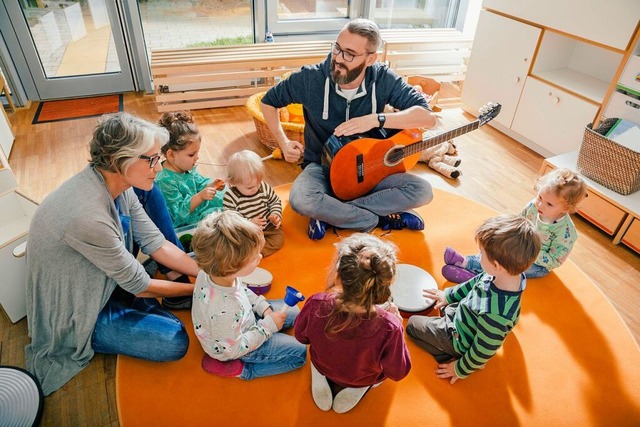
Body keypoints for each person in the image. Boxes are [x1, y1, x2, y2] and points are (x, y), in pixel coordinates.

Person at [25, 112, 201, 396]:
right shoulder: (88, 216)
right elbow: (140, 286)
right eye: (152, 159)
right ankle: (105, 326)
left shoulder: (118, 184)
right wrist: (203, 287)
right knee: (174, 340)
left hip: (105, 280)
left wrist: (205, 275)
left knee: (166, 308)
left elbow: (157, 243)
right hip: (79, 308)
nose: (159, 167)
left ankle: (148, 300)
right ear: (119, 160)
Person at [260, 18, 437, 240]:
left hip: (370, 172)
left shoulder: (384, 79)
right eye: (337, 48)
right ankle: (376, 218)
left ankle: (333, 213)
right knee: (301, 200)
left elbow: (427, 118)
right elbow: (268, 101)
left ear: (371, 58)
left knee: (422, 191)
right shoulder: (311, 78)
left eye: (349, 54)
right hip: (322, 168)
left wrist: (375, 120)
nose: (338, 59)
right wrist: (283, 142)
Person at [406, 214, 541, 384]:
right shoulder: (507, 276)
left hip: (459, 339)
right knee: (446, 307)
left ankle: (450, 354)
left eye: (481, 254)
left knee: (412, 325)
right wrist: (448, 295)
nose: (478, 256)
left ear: (497, 266)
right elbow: (474, 283)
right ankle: (450, 319)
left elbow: (483, 350)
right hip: (466, 314)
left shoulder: (495, 315)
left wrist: (461, 368)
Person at [294, 233, 411, 413]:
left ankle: (320, 374)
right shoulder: (389, 327)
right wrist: (398, 325)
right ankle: (358, 387)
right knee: (375, 378)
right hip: (364, 377)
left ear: (339, 276)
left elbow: (301, 337)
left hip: (322, 363)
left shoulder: (316, 303)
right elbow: (397, 372)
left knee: (317, 359)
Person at [190, 210, 307, 379]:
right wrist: (268, 326)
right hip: (234, 347)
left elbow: (241, 291)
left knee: (295, 312)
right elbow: (235, 347)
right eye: (253, 258)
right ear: (231, 268)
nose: (260, 256)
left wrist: (264, 307)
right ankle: (241, 371)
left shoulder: (214, 273)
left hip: (241, 320)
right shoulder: (223, 311)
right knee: (299, 354)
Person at [442, 168, 587, 283]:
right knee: (494, 246)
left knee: (508, 267)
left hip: (536, 264)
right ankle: (474, 265)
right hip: (519, 246)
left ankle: (469, 269)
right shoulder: (533, 206)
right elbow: (518, 223)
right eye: (540, 197)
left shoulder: (566, 232)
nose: (540, 204)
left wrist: (526, 253)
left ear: (566, 209)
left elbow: (555, 260)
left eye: (549, 204)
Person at [155, 110, 226, 228]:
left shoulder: (185, 167)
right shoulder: (165, 181)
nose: (197, 158)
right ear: (171, 155)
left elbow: (199, 182)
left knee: (225, 194)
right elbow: (177, 216)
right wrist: (200, 197)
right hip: (188, 223)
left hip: (198, 209)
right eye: (191, 155)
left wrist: (212, 185)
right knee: (219, 217)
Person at [223, 150, 284, 257]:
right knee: (232, 240)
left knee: (279, 239)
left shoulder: (264, 187)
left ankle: (252, 254)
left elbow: (275, 201)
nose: (256, 188)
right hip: (246, 233)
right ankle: (249, 252)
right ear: (233, 183)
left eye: (258, 183)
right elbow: (231, 221)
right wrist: (249, 223)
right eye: (250, 187)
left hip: (267, 228)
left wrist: (275, 215)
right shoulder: (230, 197)